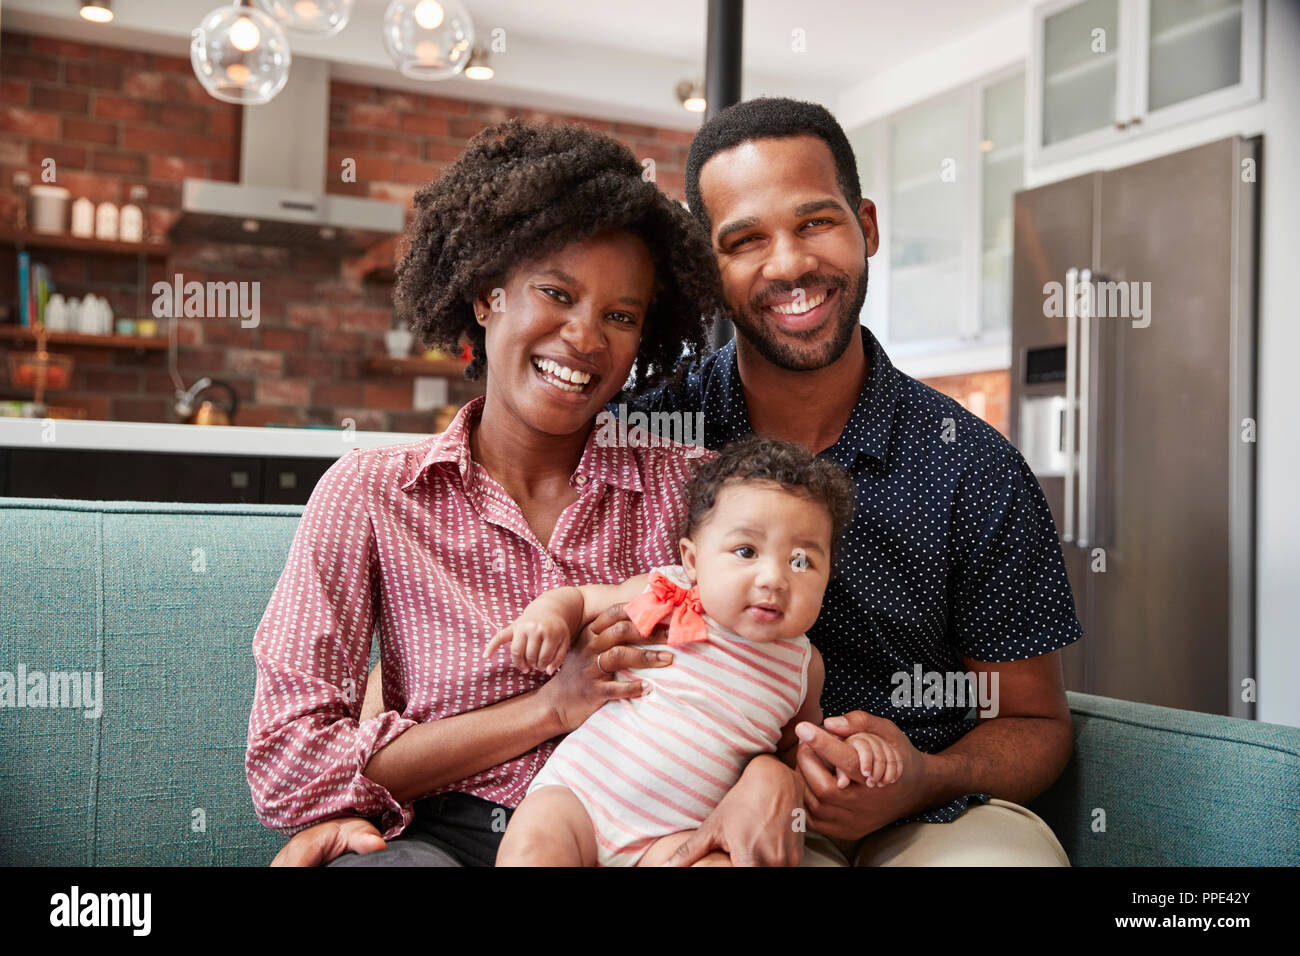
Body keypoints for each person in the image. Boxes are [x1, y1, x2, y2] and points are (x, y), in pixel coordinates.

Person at [276, 96, 1083, 867]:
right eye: (744, 240)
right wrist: (356, 788)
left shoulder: (964, 463)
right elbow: (444, 632)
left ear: (865, 227)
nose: (790, 263)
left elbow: (1037, 721)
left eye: (816, 222)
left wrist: (896, 777)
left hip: (909, 802)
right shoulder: (659, 431)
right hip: (692, 809)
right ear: (711, 266)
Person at [247, 119, 725, 867]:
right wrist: (546, 708)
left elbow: (767, 664)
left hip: (638, 837)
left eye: (620, 316)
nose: (585, 337)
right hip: (439, 838)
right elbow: (290, 769)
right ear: (485, 295)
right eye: (556, 293)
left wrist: (771, 778)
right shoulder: (372, 495)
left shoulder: (693, 487)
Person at [490, 437, 898, 866]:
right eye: (746, 551)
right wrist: (548, 616)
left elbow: (793, 749)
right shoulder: (665, 591)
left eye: (801, 561)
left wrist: (848, 755)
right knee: (532, 848)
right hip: (580, 799)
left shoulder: (803, 666)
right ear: (692, 559)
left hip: (682, 838)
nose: (774, 578)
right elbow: (579, 598)